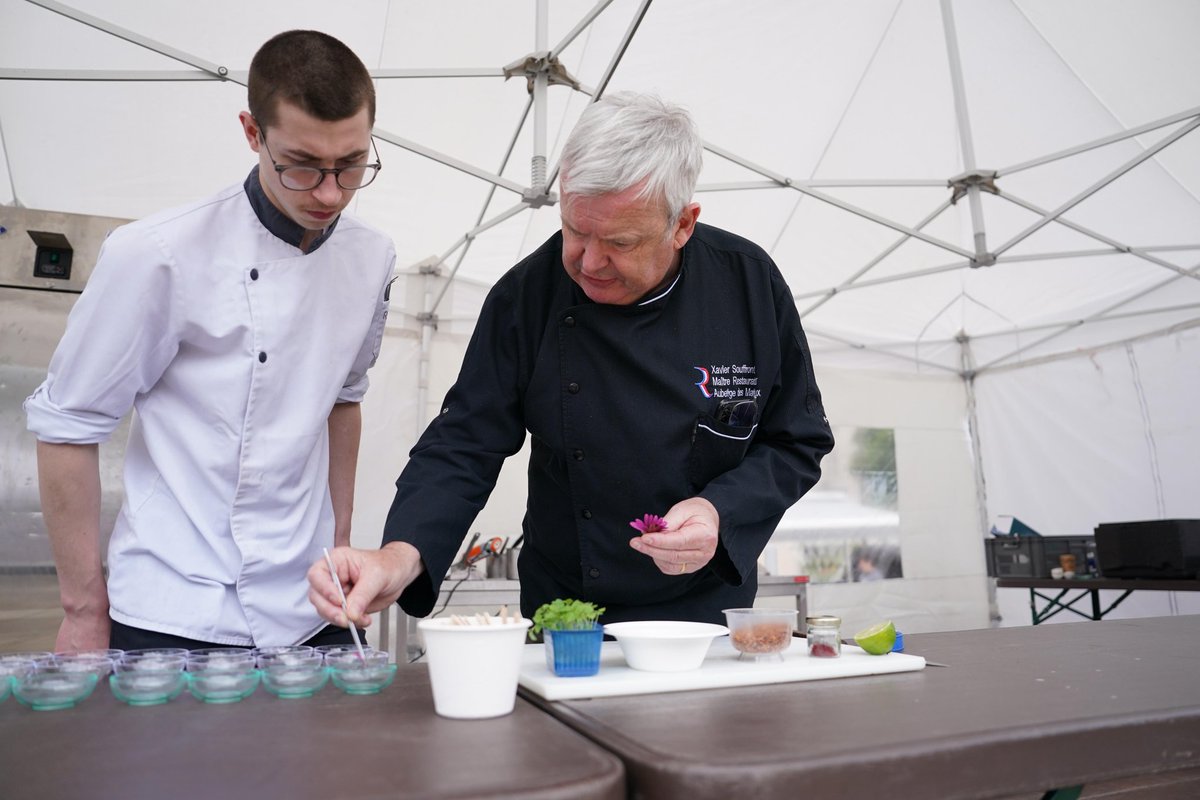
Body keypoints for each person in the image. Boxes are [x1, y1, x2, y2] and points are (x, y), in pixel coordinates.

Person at [309, 92, 834, 631]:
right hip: (568, 608)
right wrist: (401, 554)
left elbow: (797, 440)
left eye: (619, 242)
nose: (587, 261)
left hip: (703, 614)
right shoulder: (527, 297)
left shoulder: (748, 286)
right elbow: (465, 443)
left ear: (683, 225)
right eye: (574, 230)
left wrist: (719, 512)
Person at [25, 30, 396, 652]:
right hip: (173, 606)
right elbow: (68, 425)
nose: (331, 193)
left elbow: (343, 401)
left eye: (352, 163)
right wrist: (84, 611)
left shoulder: (372, 258)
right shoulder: (158, 253)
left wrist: (339, 546)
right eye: (302, 165)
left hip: (309, 605)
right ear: (253, 133)